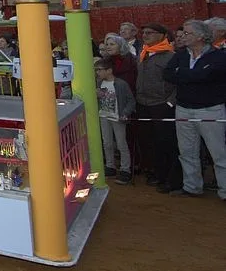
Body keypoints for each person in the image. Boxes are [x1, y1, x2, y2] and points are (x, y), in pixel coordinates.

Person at [163, 19, 226, 199]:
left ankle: (225, 190)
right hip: (183, 108)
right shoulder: (181, 54)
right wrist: (195, 75)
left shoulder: (219, 56)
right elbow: (167, 74)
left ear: (200, 36)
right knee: (187, 152)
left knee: (219, 153)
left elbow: (207, 75)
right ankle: (191, 187)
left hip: (210, 110)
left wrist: (183, 74)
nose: (182, 36)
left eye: (187, 33)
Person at [135, 24, 181, 192]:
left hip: (161, 105)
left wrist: (170, 102)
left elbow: (178, 83)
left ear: (162, 35)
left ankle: (170, 178)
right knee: (149, 141)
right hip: (143, 103)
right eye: (144, 32)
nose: (145, 35)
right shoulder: (144, 53)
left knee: (166, 142)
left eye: (150, 32)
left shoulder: (171, 56)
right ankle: (156, 173)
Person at [95, 59, 136, 185]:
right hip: (104, 116)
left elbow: (131, 100)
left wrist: (125, 113)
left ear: (109, 70)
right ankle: (110, 166)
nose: (97, 73)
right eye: (96, 70)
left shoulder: (121, 84)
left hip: (117, 118)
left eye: (99, 70)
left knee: (121, 144)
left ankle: (125, 169)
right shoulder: (99, 83)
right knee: (107, 143)